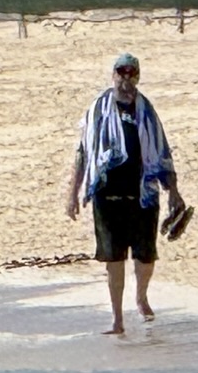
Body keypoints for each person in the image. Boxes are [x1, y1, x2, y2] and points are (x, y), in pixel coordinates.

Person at [67, 53, 191, 336]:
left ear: (138, 75)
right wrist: (72, 194)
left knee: (145, 256)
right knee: (113, 258)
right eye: (121, 72)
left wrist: (173, 191)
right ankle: (117, 319)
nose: (126, 78)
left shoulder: (146, 110)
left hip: (142, 193)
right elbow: (84, 152)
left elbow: (162, 152)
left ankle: (141, 296)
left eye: (131, 73)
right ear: (113, 75)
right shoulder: (98, 109)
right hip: (106, 194)